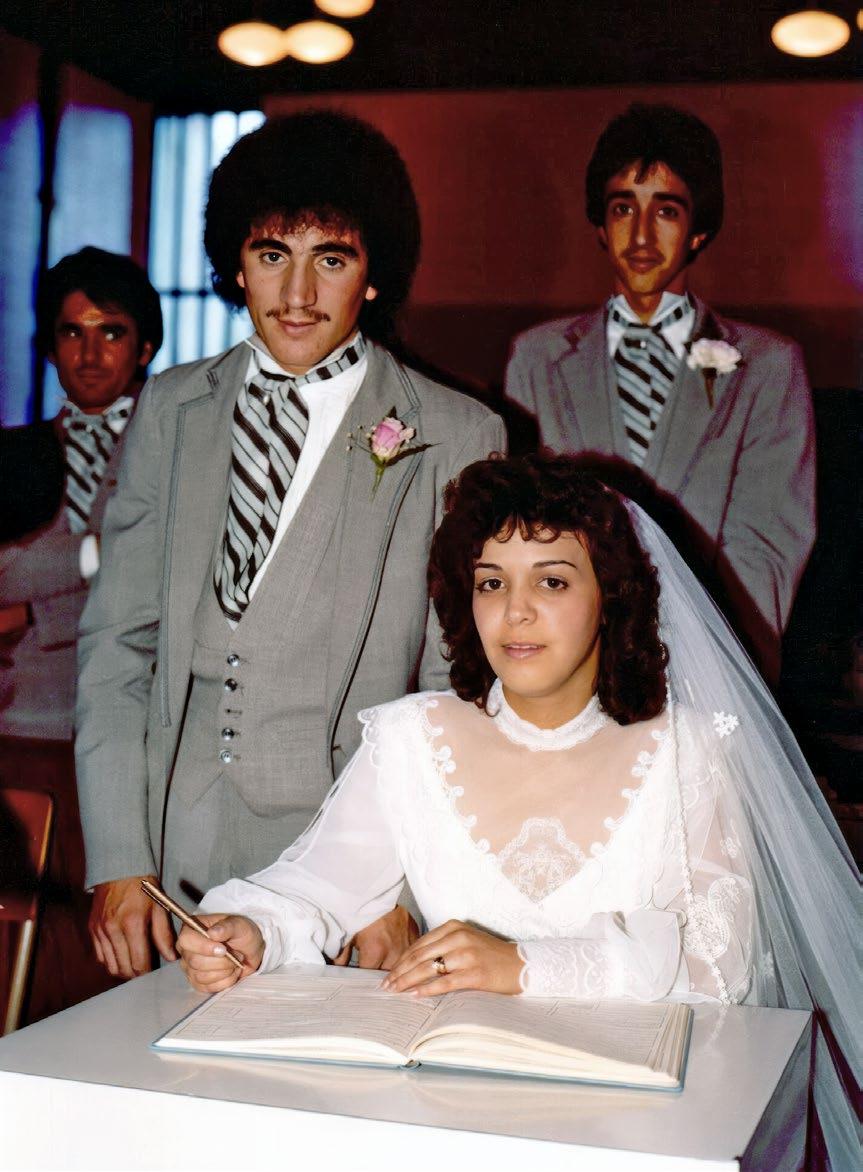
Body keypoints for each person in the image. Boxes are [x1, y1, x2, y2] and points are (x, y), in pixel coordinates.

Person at [178, 454, 858, 1170]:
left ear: (611, 596)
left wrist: (525, 966)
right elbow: (317, 887)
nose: (516, 611)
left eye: (552, 581)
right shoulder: (412, 738)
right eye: (491, 582)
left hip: (639, 1125)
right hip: (445, 1114)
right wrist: (251, 932)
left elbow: (718, 969)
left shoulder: (687, 750)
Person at [75, 110, 505, 982]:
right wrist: (119, 854)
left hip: (349, 868)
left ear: (373, 276)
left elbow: (452, 690)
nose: (298, 293)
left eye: (331, 259)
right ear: (235, 265)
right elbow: (118, 644)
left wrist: (398, 885)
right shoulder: (171, 409)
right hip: (175, 856)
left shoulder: (457, 434)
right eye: (273, 255)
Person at [504, 104, 816, 685]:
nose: (642, 234)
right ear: (600, 226)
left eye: (666, 211)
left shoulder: (769, 366)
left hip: (710, 669)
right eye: (623, 208)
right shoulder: (537, 358)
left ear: (699, 230)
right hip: (571, 668)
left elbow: (768, 549)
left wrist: (704, 671)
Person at [0, 246, 163, 741]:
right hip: (20, 717)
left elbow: (162, 586)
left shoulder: (178, 449)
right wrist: (99, 554)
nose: (90, 356)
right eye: (73, 333)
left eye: (111, 333)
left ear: (145, 348)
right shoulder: (14, 451)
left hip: (137, 723)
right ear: (50, 348)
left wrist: (32, 611)